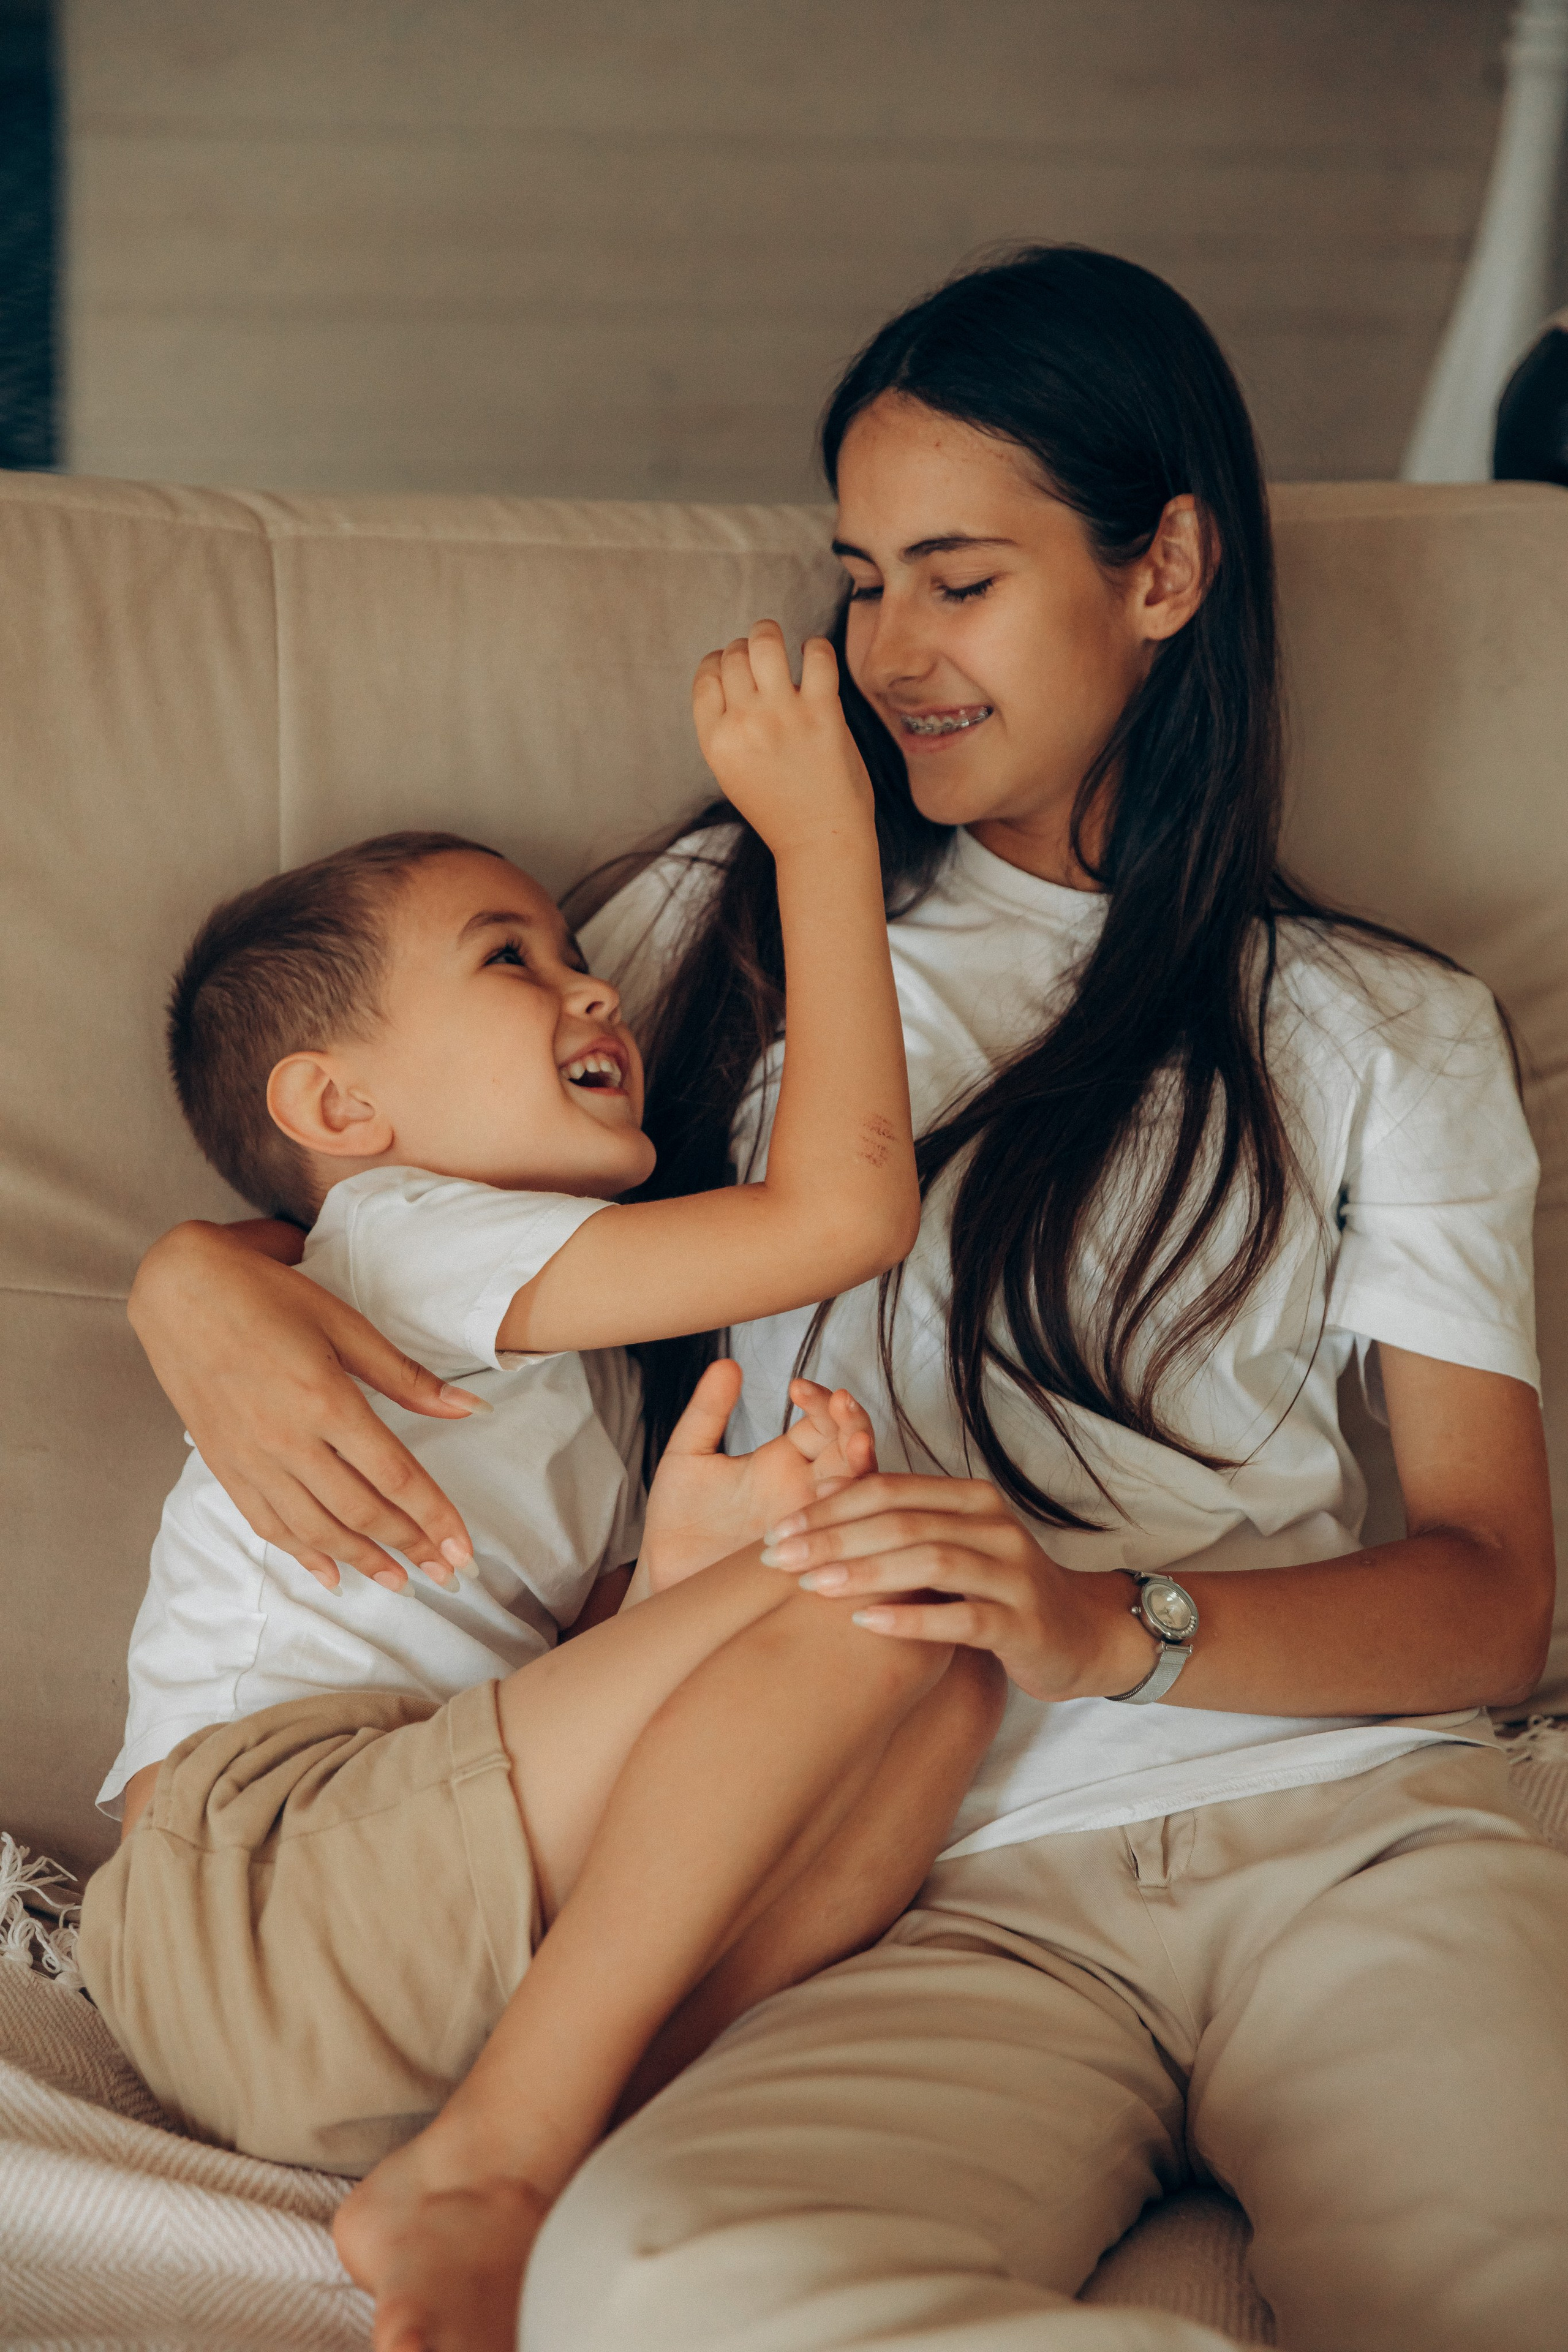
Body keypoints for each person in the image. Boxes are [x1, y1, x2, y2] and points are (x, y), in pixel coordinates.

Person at [126, 246, 1568, 2352]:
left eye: (958, 578)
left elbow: (1489, 1590)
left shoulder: (1377, 1025)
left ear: (1164, 568)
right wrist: (197, 1282)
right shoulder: (715, 916)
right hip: (918, 1888)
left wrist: (1109, 1626)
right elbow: (414, 1195)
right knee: (662, 2290)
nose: (887, 649)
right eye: (859, 576)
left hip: (1343, 1828)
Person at [80, 631, 1003, 2352]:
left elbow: (549, 1709)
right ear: (341, 1108)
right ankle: (498, 2168)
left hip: (385, 1933)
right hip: (263, 1867)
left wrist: (680, 1582)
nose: (595, 994)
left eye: (580, 956)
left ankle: (545, 2127)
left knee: (949, 1655)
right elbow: (844, 1217)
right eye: (513, 960)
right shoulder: (409, 1235)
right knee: (900, 1574)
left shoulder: (552, 1351)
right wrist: (821, 844)